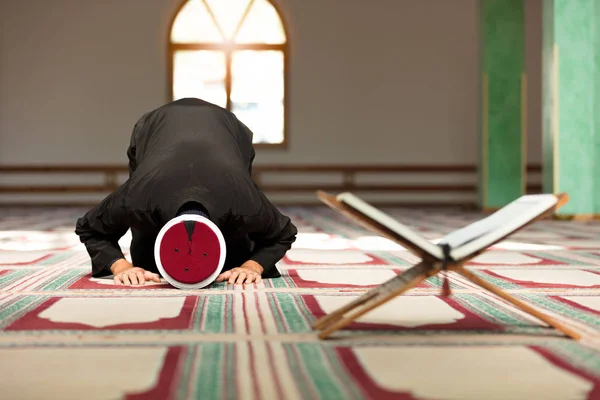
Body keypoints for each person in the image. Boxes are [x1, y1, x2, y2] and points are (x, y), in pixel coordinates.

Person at [75, 98, 297, 286]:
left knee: (236, 263)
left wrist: (252, 266)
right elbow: (90, 228)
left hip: (228, 128)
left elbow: (283, 233)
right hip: (154, 126)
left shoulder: (244, 201)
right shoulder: (137, 197)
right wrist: (121, 266)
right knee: (147, 265)